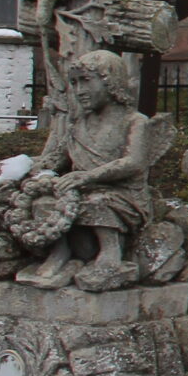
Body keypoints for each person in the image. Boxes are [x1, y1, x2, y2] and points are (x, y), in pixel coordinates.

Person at [20, 50, 159, 290]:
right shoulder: (78, 124)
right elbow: (58, 158)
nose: (79, 90)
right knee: (44, 202)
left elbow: (134, 162)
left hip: (122, 195)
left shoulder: (135, 121)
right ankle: (61, 250)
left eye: (86, 81)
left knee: (97, 202)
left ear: (111, 82)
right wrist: (31, 168)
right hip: (80, 189)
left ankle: (110, 250)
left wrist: (87, 176)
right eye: (74, 83)